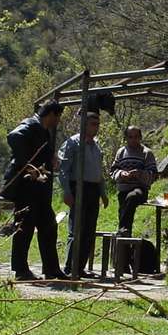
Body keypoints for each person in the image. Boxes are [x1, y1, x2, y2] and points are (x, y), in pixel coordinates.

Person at [6, 99, 68, 281]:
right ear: (51, 115)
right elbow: (14, 137)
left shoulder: (42, 131)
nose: (58, 122)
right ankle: (21, 270)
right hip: (26, 188)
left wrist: (52, 158)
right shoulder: (30, 125)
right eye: (57, 117)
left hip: (39, 190)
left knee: (49, 225)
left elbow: (42, 152)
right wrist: (28, 166)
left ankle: (51, 269)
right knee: (24, 228)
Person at [58, 111, 109, 278]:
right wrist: (67, 191)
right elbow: (64, 170)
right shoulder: (73, 143)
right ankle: (70, 267)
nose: (96, 127)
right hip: (78, 187)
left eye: (97, 124)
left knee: (89, 230)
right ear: (84, 125)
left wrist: (103, 193)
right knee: (77, 229)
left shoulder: (96, 146)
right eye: (93, 124)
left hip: (93, 190)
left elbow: (98, 172)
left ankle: (80, 267)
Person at [110, 125, 157, 236]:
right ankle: (125, 236)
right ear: (126, 138)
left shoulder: (146, 153)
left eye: (136, 137)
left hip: (139, 189)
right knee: (124, 207)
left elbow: (153, 174)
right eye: (130, 137)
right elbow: (113, 171)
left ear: (140, 137)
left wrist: (140, 174)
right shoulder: (121, 152)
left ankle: (122, 231)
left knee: (132, 197)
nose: (133, 139)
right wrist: (122, 174)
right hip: (123, 190)